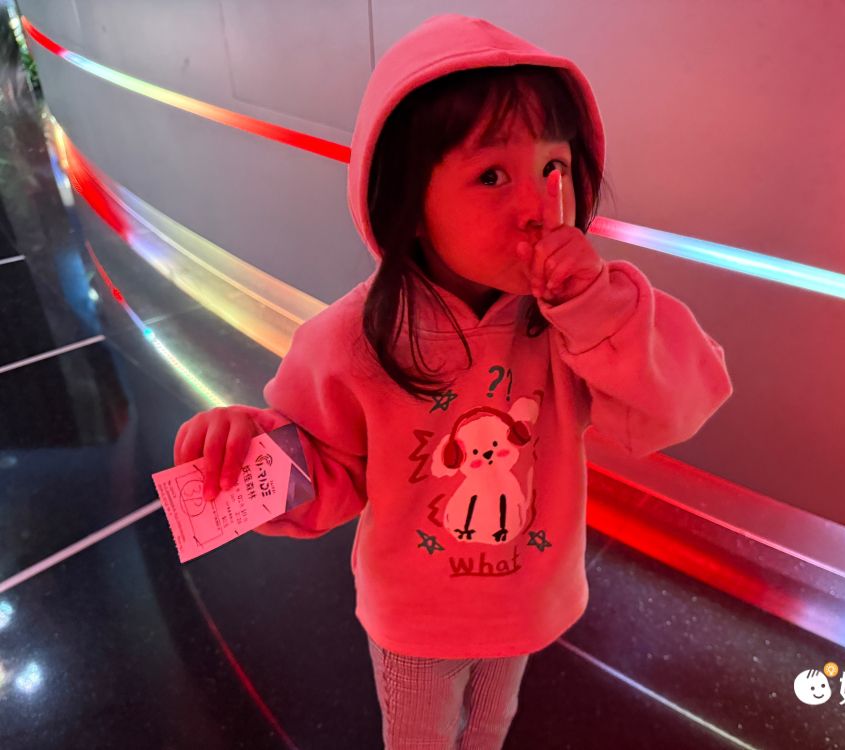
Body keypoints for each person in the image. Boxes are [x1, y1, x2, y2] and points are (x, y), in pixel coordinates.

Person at [173, 13, 734, 750]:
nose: (538, 209)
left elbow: (674, 405)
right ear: (406, 205)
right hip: (416, 622)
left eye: (554, 167)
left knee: (491, 727)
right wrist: (242, 454)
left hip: (529, 602)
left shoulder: (575, 321)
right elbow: (330, 471)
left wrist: (597, 309)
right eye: (492, 175)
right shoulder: (354, 339)